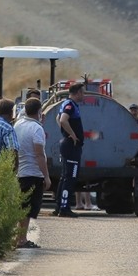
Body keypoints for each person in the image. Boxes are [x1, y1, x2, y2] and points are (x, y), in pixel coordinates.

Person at [12, 96, 51, 248]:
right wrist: (46, 176)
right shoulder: (37, 129)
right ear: (40, 111)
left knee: (22, 206)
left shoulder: (19, 124)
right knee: (28, 208)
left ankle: (18, 237)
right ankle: (21, 239)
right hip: (33, 173)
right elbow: (39, 154)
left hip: (20, 171)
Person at [53, 82, 85, 217]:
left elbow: (58, 118)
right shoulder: (70, 105)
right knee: (70, 177)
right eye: (82, 92)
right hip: (71, 146)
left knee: (65, 177)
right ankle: (64, 208)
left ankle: (59, 206)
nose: (83, 95)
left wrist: (65, 132)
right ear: (77, 93)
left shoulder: (67, 104)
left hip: (68, 145)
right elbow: (63, 120)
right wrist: (71, 134)